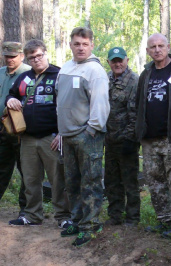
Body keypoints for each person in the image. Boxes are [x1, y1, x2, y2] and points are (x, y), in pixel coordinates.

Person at [5, 40, 72, 228]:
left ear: (46, 53)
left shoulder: (59, 74)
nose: (36, 60)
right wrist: (10, 100)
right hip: (27, 138)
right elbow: (12, 95)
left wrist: (61, 133)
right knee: (31, 179)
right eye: (32, 57)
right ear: (27, 59)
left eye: (39, 55)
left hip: (51, 137)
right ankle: (33, 215)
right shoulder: (24, 77)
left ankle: (63, 216)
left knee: (57, 179)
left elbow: (68, 105)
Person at [135, 33, 171, 239]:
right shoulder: (146, 74)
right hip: (150, 139)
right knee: (154, 181)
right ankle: (165, 220)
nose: (157, 50)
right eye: (153, 47)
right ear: (148, 51)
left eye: (161, 46)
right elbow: (138, 104)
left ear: (168, 47)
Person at [56, 27, 110, 247]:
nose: (80, 47)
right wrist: (61, 130)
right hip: (67, 135)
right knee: (73, 181)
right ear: (70, 44)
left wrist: (91, 130)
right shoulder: (66, 68)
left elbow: (101, 105)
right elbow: (60, 101)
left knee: (90, 181)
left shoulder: (95, 71)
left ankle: (90, 225)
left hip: (87, 135)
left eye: (85, 44)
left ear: (91, 46)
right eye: (77, 43)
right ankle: (77, 220)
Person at [104, 46, 140, 226]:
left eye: (120, 60)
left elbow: (135, 113)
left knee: (130, 181)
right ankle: (115, 215)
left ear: (126, 60)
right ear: (109, 62)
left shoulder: (134, 81)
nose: (117, 64)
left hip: (126, 140)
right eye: (114, 60)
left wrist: (130, 139)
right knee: (111, 180)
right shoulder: (106, 79)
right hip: (109, 140)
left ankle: (132, 217)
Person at [0, 41, 30, 219]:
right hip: (2, 129)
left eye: (13, 56)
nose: (9, 59)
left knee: (26, 169)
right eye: (7, 56)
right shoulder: (1, 73)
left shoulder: (28, 73)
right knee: (1, 168)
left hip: (21, 130)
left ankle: (25, 210)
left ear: (21, 55)